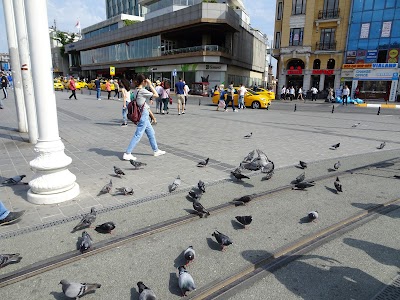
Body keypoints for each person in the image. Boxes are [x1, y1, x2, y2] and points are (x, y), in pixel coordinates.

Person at [122, 74, 166, 161]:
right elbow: (156, 95)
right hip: (143, 115)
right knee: (138, 134)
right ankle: (127, 153)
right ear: (143, 82)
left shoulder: (135, 90)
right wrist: (150, 85)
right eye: (146, 81)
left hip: (143, 113)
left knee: (151, 133)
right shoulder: (142, 90)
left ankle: (156, 150)